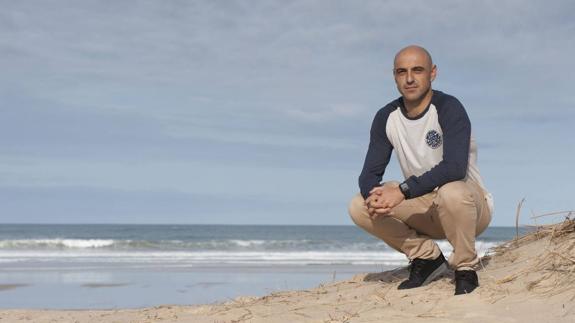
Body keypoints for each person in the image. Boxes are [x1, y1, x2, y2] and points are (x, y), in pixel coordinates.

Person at [347, 45, 494, 295]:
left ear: (432, 73)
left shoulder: (449, 108)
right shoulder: (386, 117)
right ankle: (427, 258)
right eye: (402, 72)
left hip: (468, 208)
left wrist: (402, 190)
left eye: (417, 70)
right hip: (424, 205)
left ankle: (465, 268)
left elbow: (454, 168)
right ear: (394, 76)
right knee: (359, 205)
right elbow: (369, 175)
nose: (410, 78)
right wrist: (377, 195)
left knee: (451, 191)